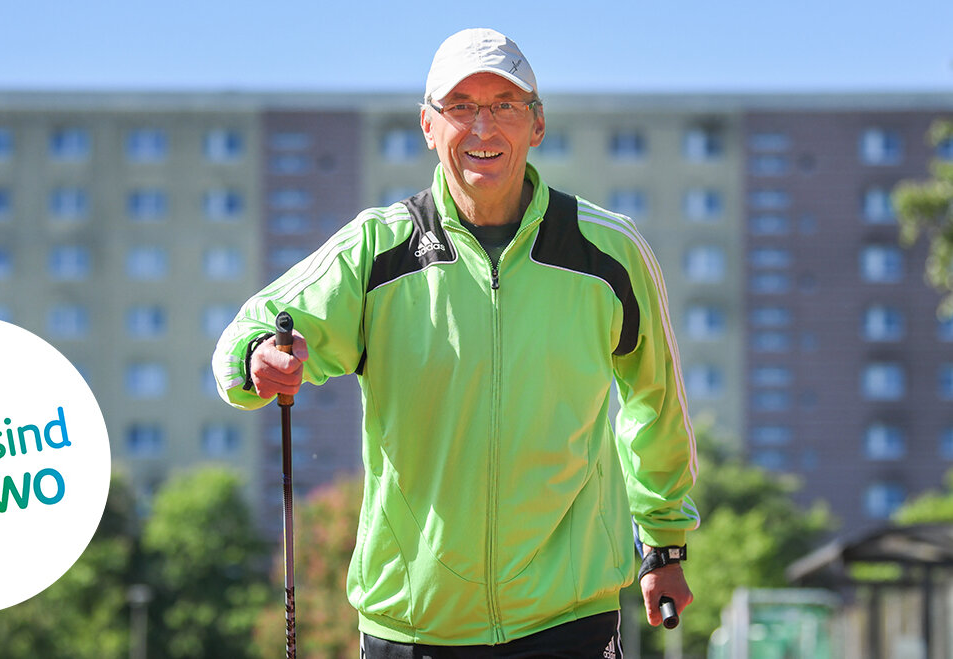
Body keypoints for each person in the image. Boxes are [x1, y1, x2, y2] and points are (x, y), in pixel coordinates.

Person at [213, 27, 697, 658]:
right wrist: (259, 361)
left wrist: (662, 544)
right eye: (461, 107)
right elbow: (253, 328)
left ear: (537, 125)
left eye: (505, 106)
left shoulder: (611, 254)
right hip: (411, 625)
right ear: (428, 125)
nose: (483, 128)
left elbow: (654, 405)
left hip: (567, 617)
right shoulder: (375, 252)